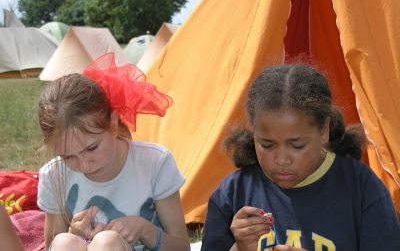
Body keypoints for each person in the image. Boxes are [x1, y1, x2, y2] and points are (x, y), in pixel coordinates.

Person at [201, 64, 400, 251]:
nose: (281, 160)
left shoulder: (361, 187)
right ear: (253, 132)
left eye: (297, 145)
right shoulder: (233, 193)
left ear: (324, 130)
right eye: (267, 145)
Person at [37, 53, 190, 251]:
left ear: (114, 123)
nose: (84, 165)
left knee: (106, 242)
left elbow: (182, 247)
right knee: (65, 242)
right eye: (67, 157)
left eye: (92, 148)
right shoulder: (53, 175)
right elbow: (53, 245)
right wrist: (74, 235)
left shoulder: (155, 163)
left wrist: (145, 230)